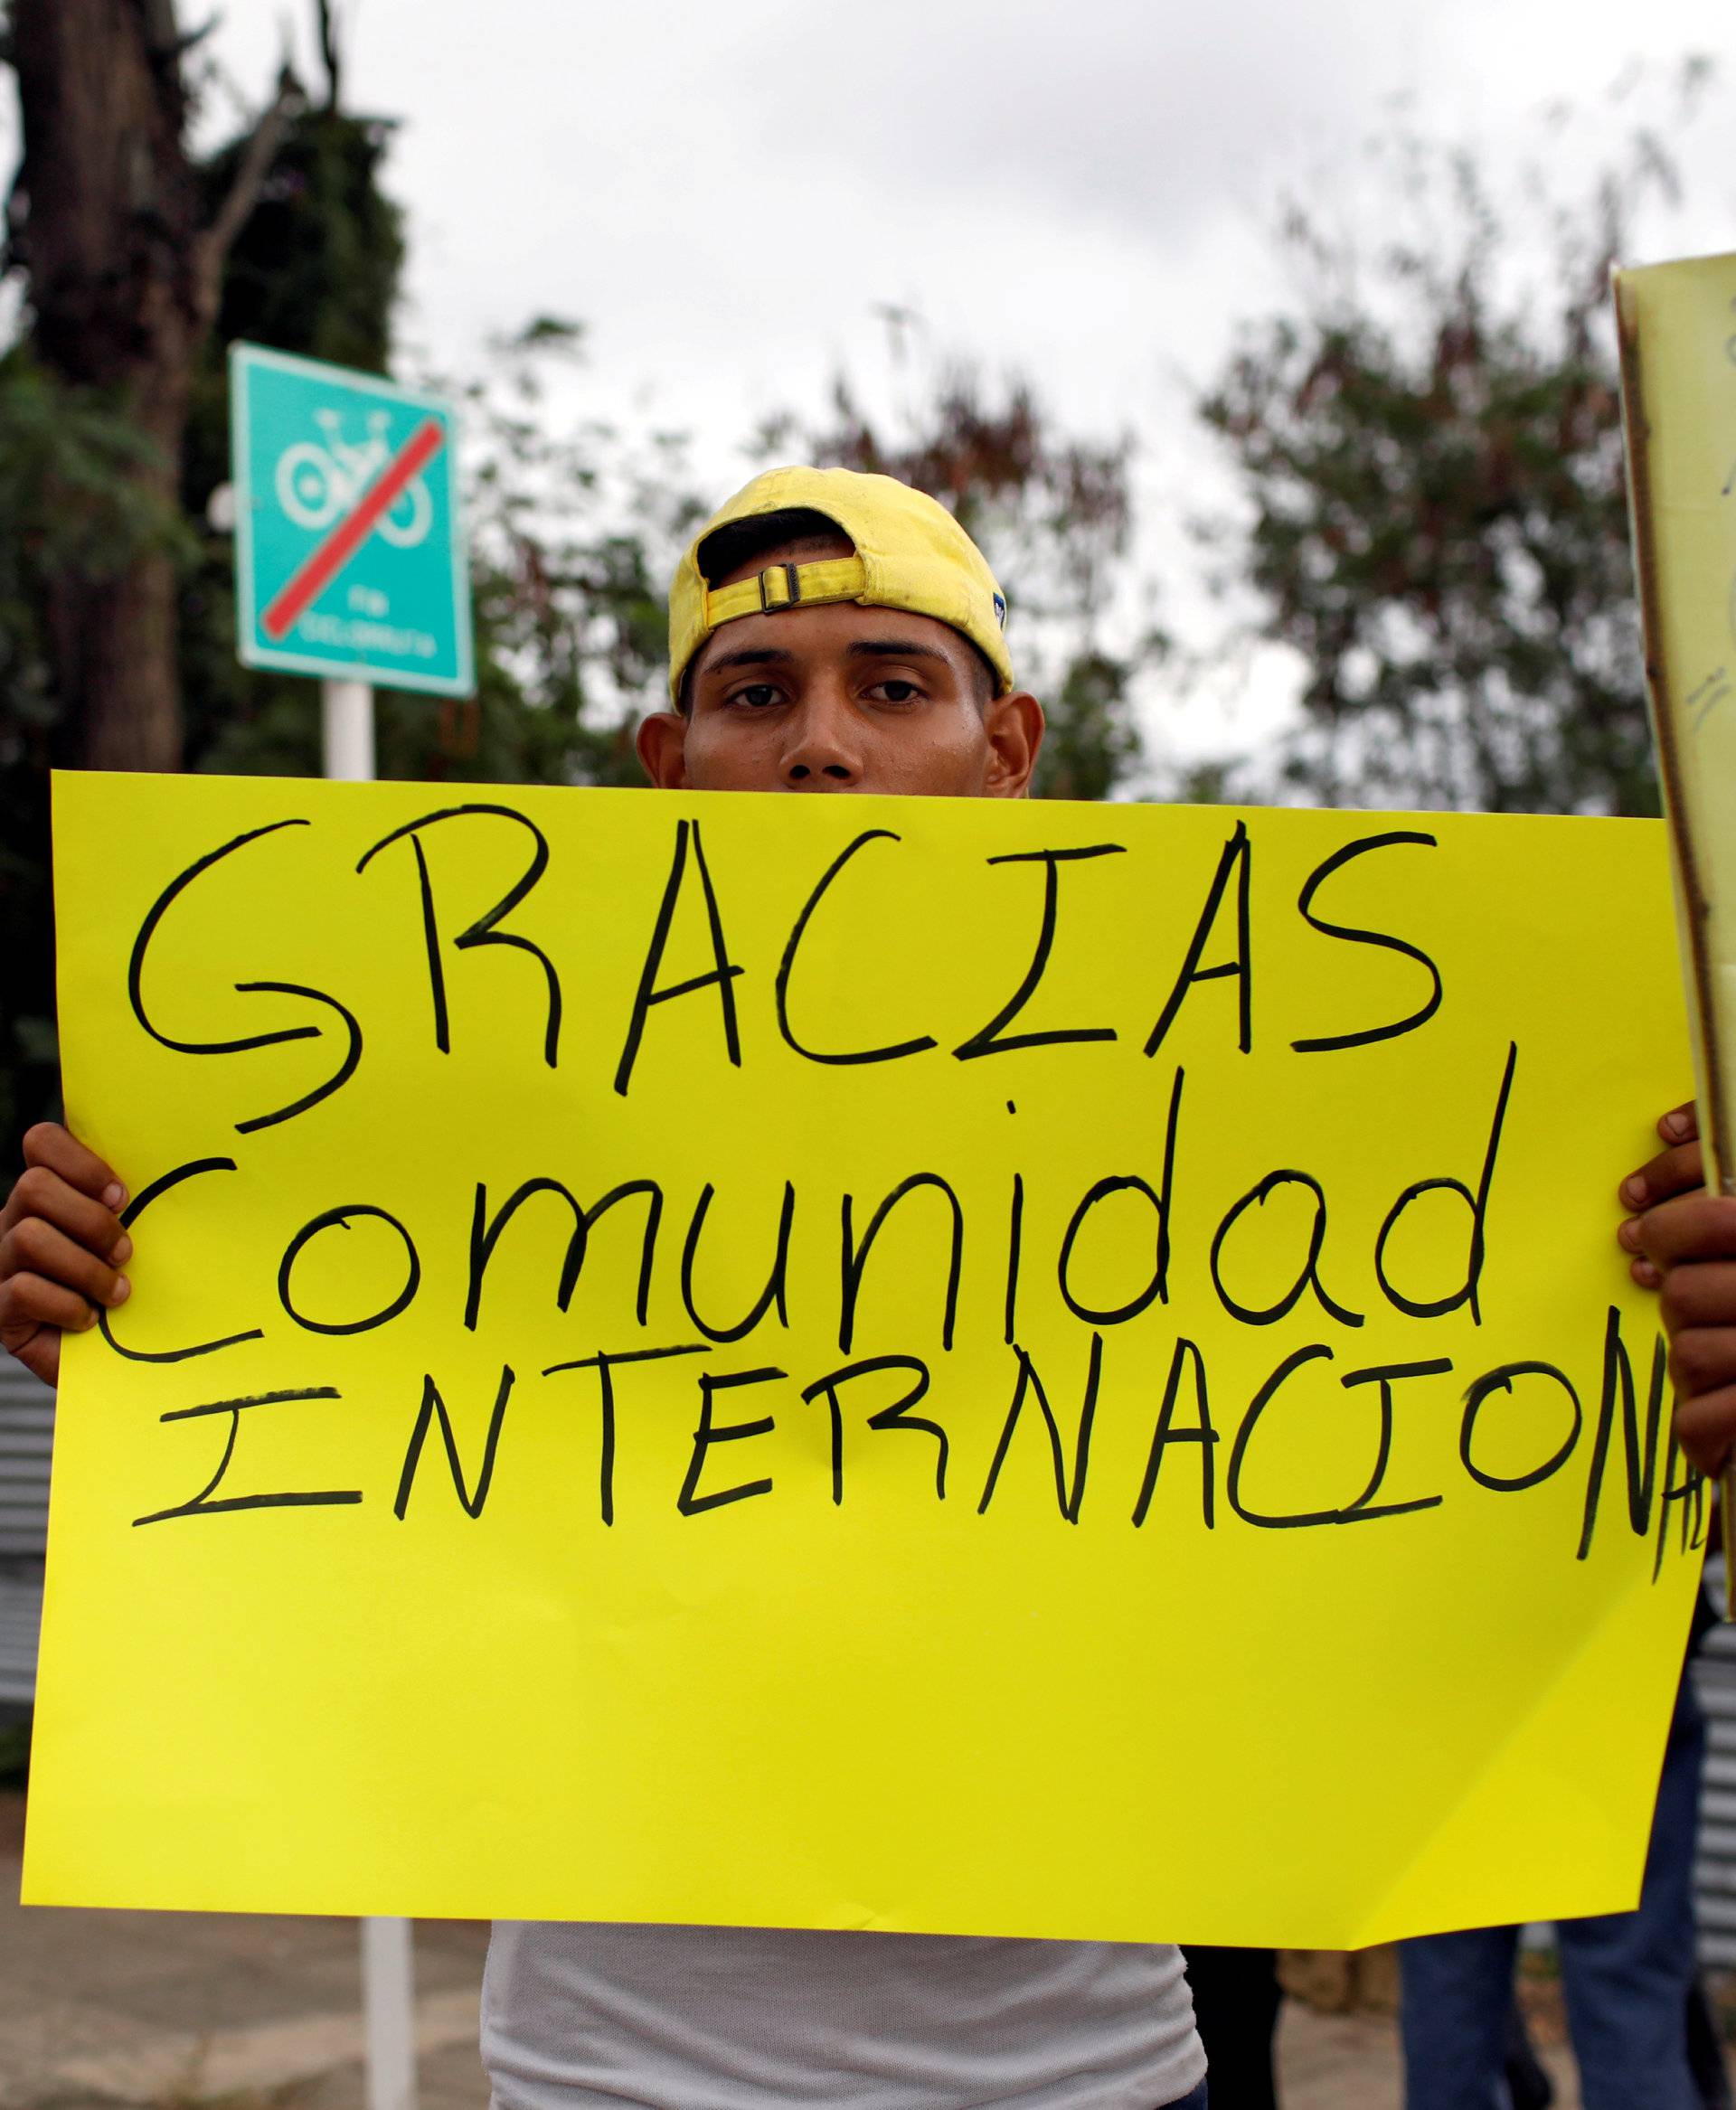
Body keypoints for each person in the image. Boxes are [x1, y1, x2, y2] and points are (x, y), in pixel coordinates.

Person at [0, 466, 1211, 2109]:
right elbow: (383, 1510)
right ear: (670, 764)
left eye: (896, 686)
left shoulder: (1189, 1141)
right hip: (615, 2077)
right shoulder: (484, 1144)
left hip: (1087, 2077)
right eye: (756, 693)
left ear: (1007, 755)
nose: (823, 744)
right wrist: (148, 1352)